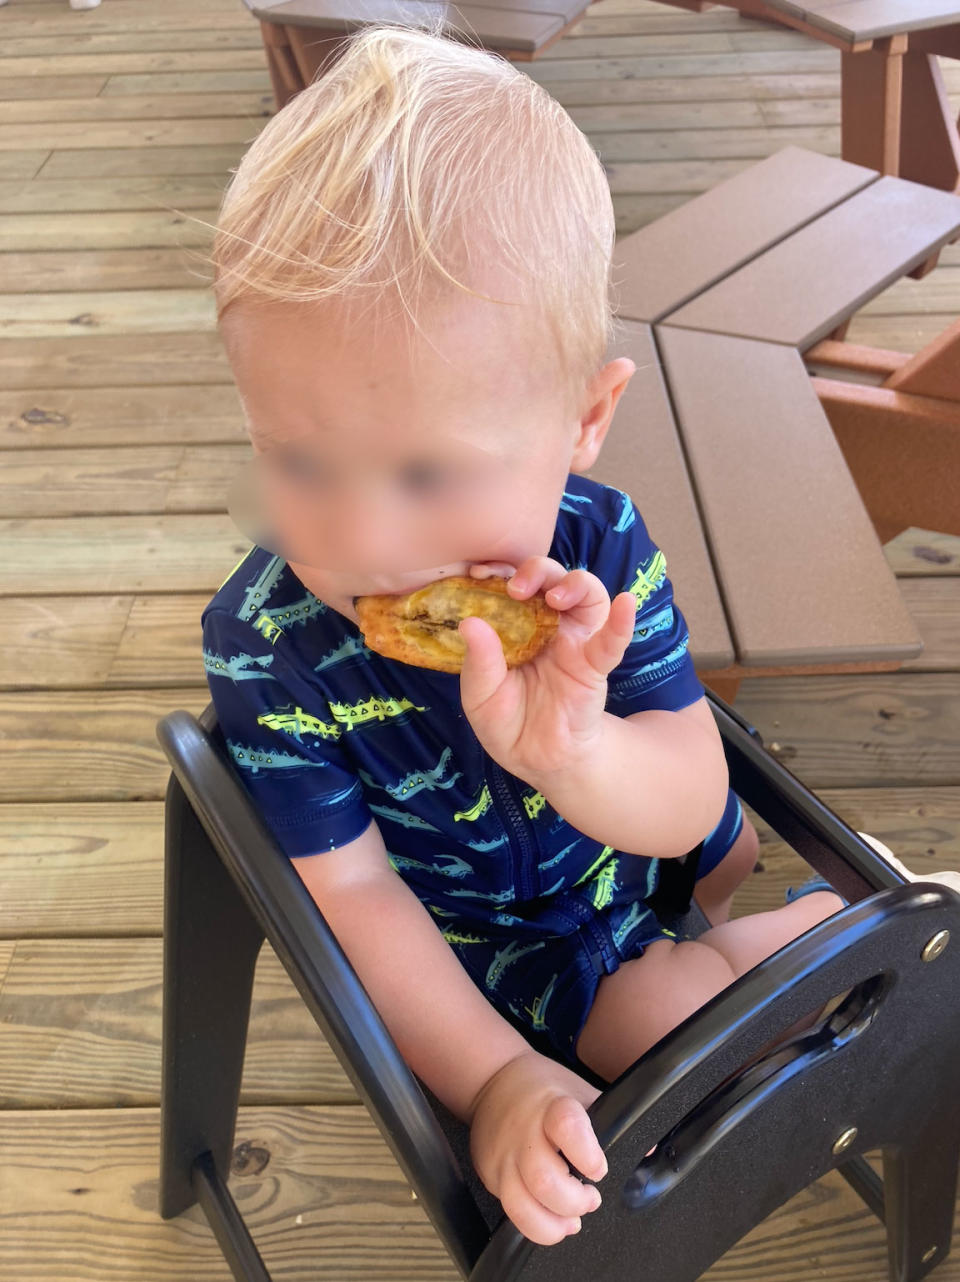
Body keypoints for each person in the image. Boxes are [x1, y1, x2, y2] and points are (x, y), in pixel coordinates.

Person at [200, 23, 892, 1246]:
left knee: (755, 927)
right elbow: (359, 902)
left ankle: (836, 930)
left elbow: (683, 796)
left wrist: (573, 753)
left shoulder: (602, 549)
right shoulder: (272, 649)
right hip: (493, 976)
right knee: (673, 1028)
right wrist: (493, 1079)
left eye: (425, 470)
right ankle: (819, 942)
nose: (363, 534)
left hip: (638, 869)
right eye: (297, 458)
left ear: (585, 418)